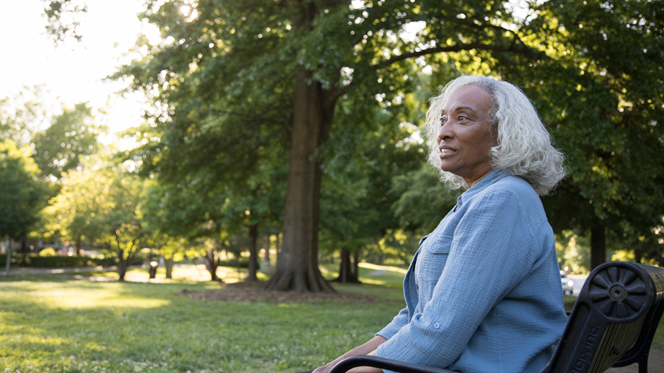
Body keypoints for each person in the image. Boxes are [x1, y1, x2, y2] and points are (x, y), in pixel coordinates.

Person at [310, 75, 569, 373]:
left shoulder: (502, 201)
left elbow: (439, 333)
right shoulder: (480, 199)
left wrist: (354, 372)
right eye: (443, 119)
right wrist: (342, 363)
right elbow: (417, 315)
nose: (443, 132)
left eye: (463, 118)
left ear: (503, 133)